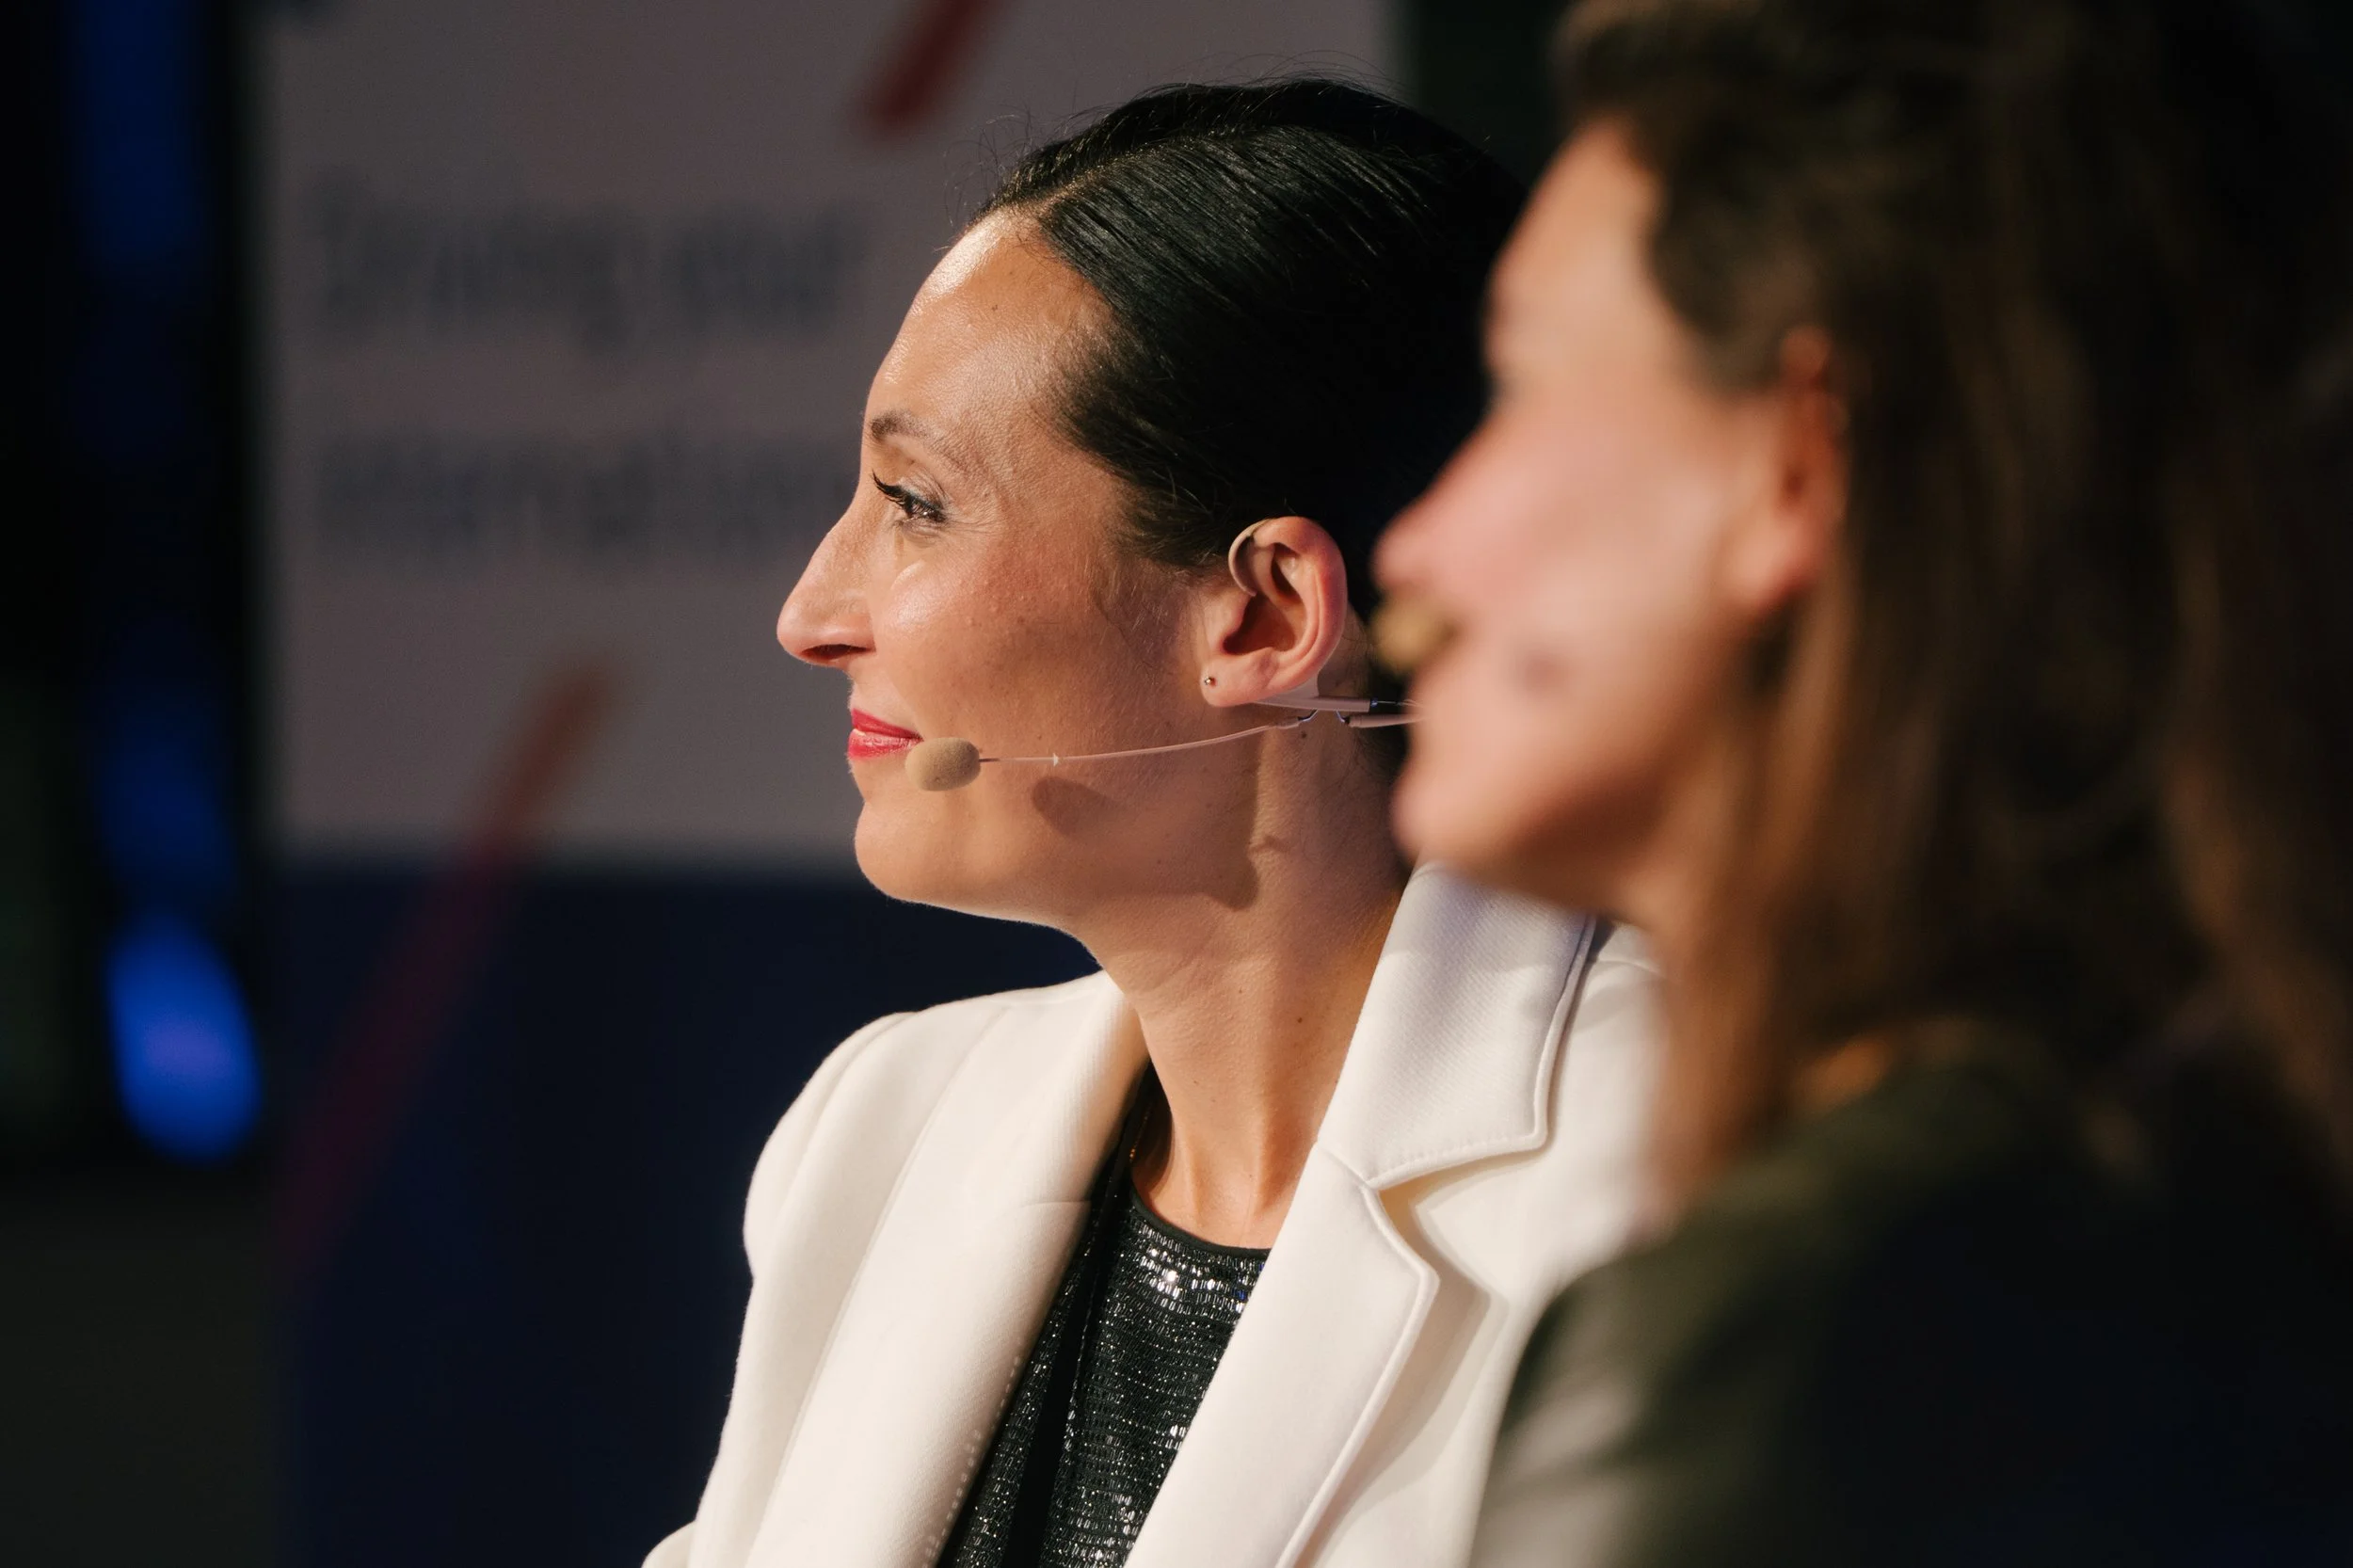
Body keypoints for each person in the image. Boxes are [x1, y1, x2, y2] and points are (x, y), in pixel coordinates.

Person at [1373, 2, 2353, 1563]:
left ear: (1795, 470)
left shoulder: (1806, 1334)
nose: (1413, 553)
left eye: (1524, 386)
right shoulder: (2210, 1198)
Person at [644, 81, 1663, 1568]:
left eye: (913, 502)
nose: (812, 613)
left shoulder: (1668, 1181)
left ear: (1264, 611)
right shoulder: (881, 1128)